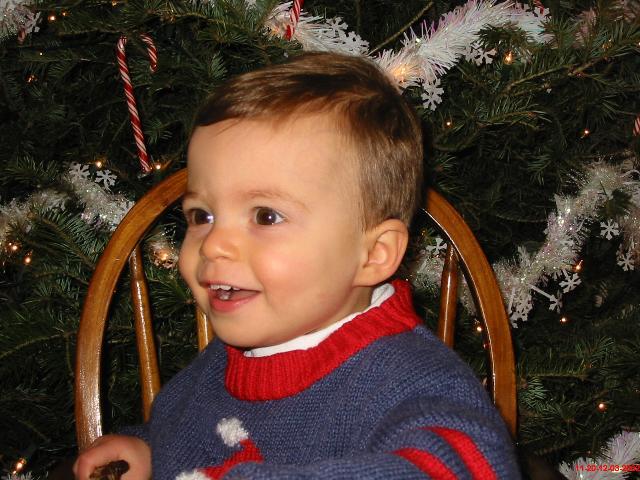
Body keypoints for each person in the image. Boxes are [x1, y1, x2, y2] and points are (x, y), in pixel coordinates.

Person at [74, 52, 521, 480]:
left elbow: (472, 468)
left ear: (373, 254)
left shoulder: (411, 380)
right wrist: (147, 451)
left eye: (266, 216)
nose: (214, 246)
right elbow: (188, 439)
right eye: (201, 216)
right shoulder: (221, 364)